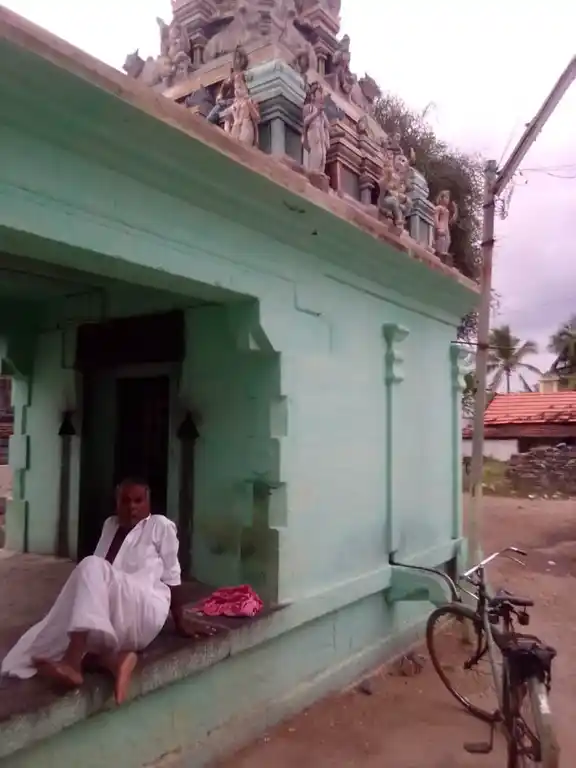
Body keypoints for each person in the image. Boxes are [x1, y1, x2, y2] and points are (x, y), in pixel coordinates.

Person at [1, 478, 205, 704]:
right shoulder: (111, 525)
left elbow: (172, 576)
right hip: (115, 611)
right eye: (125, 501)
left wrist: (180, 622)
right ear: (116, 503)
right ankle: (117, 660)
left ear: (149, 503)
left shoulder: (160, 526)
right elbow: (98, 576)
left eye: (139, 501)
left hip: (145, 606)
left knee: (89, 566)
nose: (132, 507)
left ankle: (72, 662)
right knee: (38, 641)